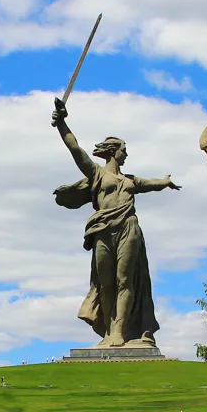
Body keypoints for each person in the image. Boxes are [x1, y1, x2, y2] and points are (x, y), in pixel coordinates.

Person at [51, 98, 180, 348]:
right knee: (105, 283)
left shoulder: (131, 181)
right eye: (124, 150)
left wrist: (165, 181)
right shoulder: (97, 173)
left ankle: (119, 331)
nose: (126, 154)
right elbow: (75, 149)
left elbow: (152, 184)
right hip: (102, 229)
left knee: (125, 280)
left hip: (128, 228)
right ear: (113, 151)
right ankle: (109, 331)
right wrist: (62, 124)